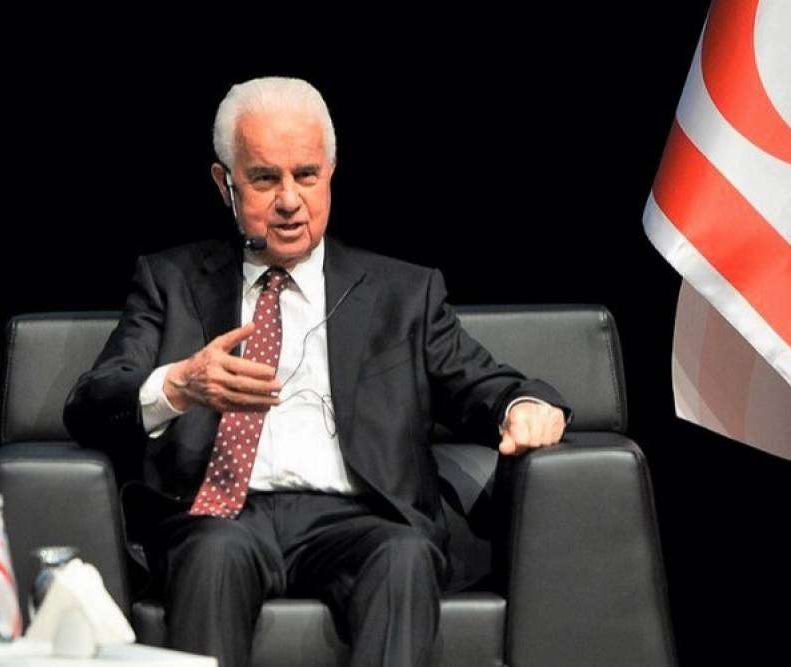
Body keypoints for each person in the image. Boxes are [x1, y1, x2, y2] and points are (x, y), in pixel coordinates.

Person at [64, 77, 571, 667]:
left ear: (330, 173)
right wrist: (179, 385)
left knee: (404, 555)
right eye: (264, 179)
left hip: (360, 518)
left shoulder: (403, 293)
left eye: (306, 175)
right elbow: (91, 403)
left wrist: (526, 406)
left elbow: (483, 384)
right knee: (214, 554)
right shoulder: (170, 282)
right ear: (224, 183)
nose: (289, 201)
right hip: (222, 516)